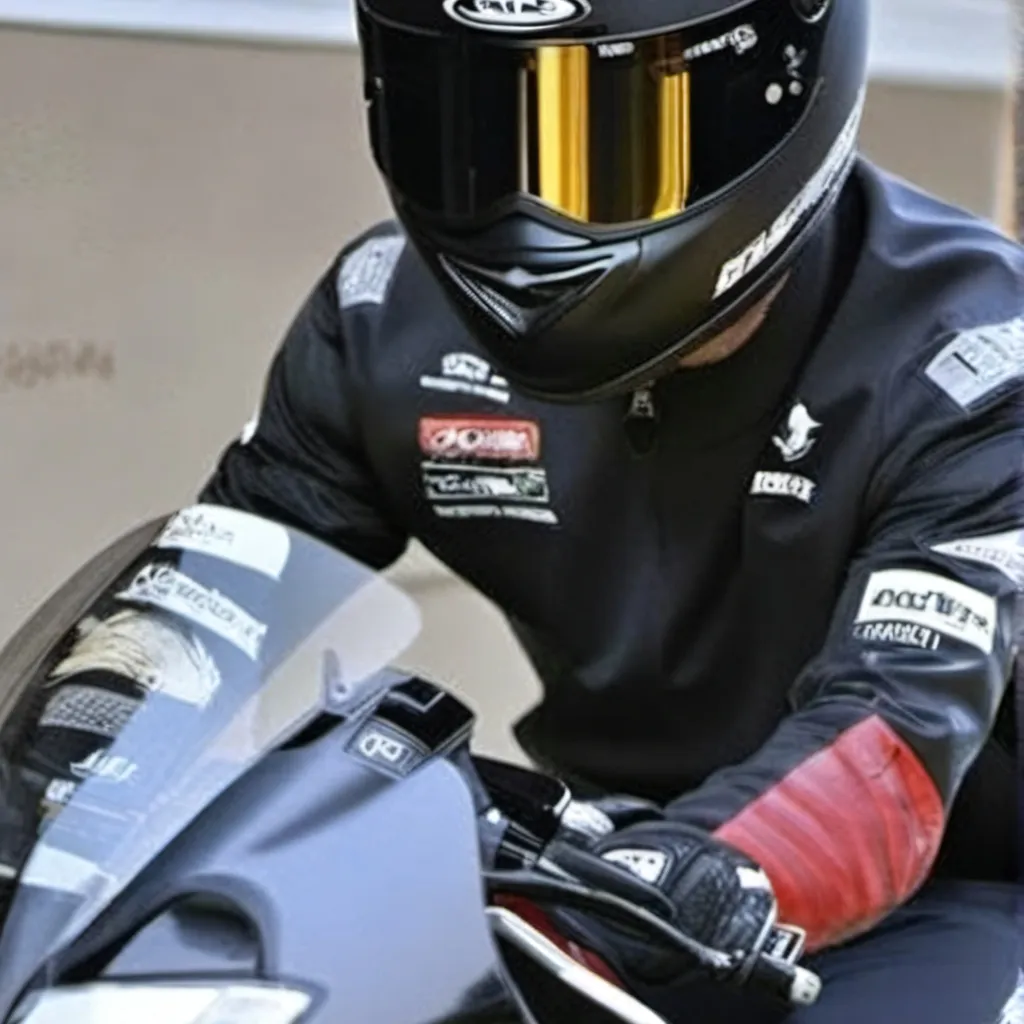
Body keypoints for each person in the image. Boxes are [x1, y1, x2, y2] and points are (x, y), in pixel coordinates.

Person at [193, 0, 1024, 1020]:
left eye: (624, 139)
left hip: (943, 895)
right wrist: (78, 761)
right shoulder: (381, 320)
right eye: (474, 126)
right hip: (583, 866)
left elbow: (887, 751)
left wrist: (649, 887)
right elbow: (211, 605)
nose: (527, 216)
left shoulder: (973, 356)